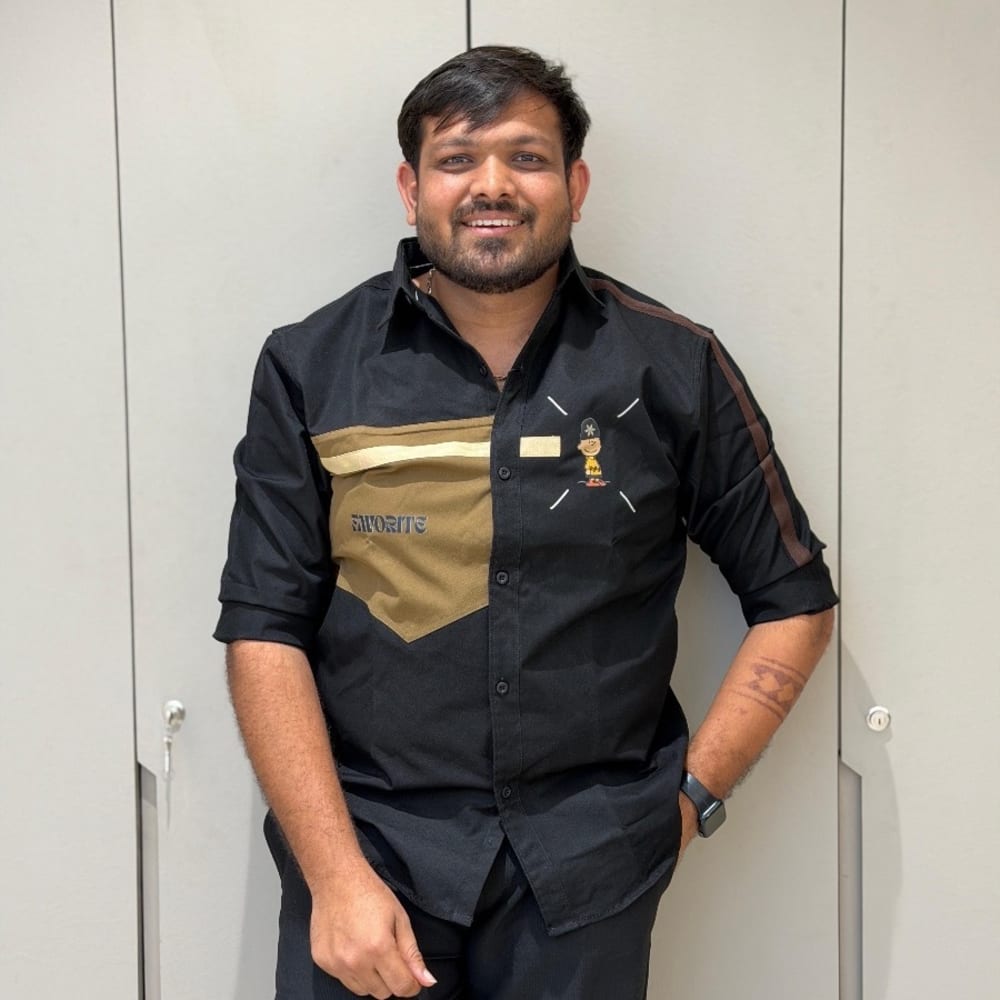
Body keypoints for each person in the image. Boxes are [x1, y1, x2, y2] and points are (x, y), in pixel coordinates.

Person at [215, 45, 837, 1000]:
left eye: (528, 157)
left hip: (592, 872)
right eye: (457, 158)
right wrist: (334, 876)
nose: (492, 185)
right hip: (371, 862)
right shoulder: (312, 366)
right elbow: (264, 627)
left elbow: (795, 602)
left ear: (575, 187)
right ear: (411, 188)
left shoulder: (672, 367)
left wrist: (690, 802)